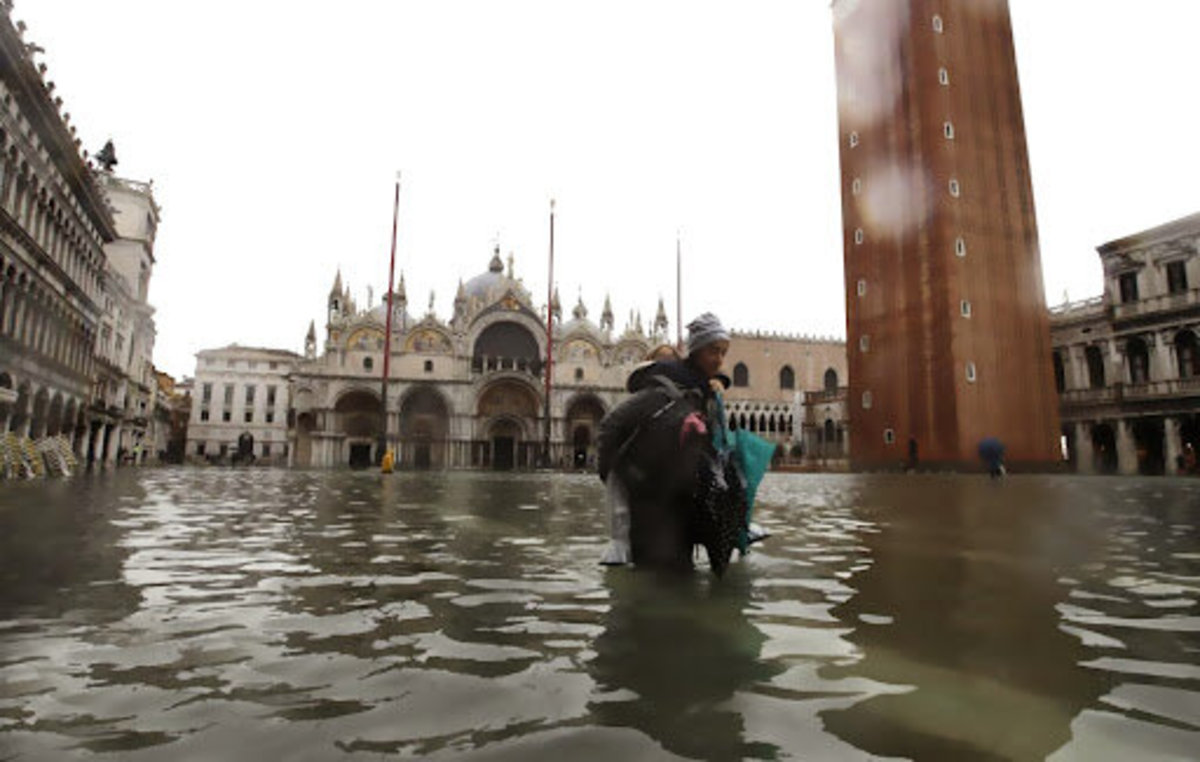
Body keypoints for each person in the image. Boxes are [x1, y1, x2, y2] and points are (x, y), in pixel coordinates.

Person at [597, 313, 733, 571]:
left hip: (680, 511)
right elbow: (610, 426)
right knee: (656, 590)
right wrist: (614, 477)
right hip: (651, 514)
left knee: (679, 584)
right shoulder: (661, 393)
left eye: (723, 353)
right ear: (696, 351)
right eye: (713, 351)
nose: (719, 360)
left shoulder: (702, 395)